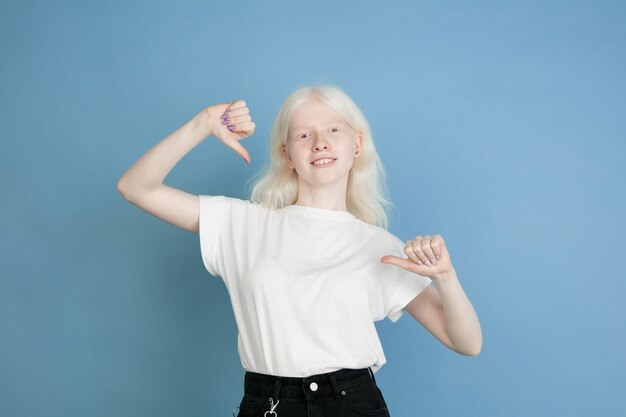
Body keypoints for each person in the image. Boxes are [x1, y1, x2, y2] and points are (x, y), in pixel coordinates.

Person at [117, 84, 482, 417]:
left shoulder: (381, 247)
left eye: (333, 130)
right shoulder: (241, 224)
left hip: (353, 403)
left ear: (356, 144)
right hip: (268, 403)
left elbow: (466, 342)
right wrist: (203, 123)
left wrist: (445, 278)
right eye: (304, 135)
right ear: (287, 154)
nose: (320, 143)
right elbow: (136, 187)